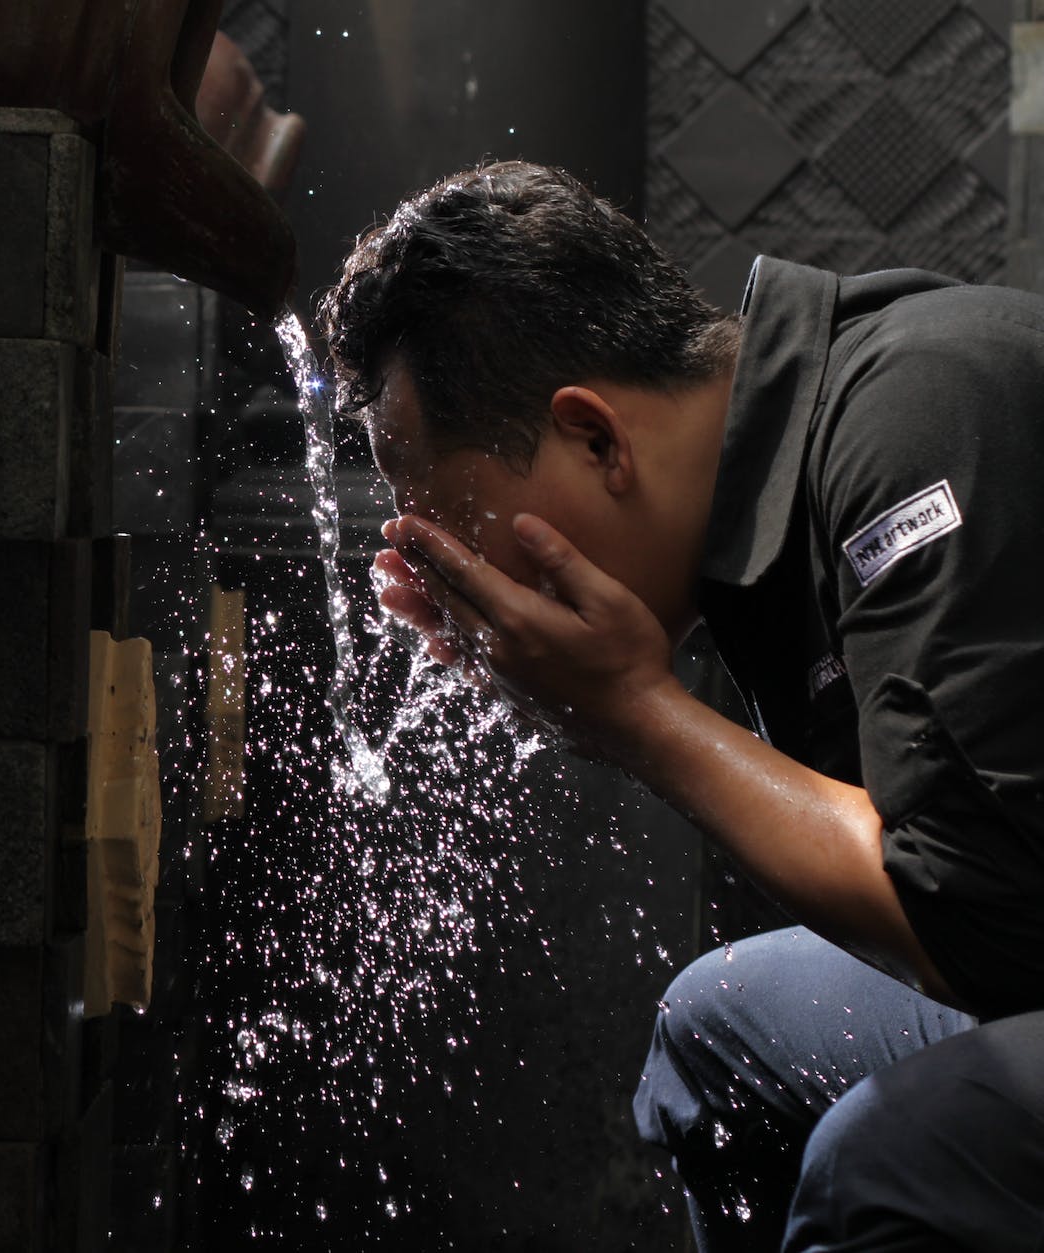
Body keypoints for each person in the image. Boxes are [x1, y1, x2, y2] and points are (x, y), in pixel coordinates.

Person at [315, 160, 1044, 1250]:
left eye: (464, 533)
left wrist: (636, 711)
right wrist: (616, 700)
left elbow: (984, 922)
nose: (468, 583)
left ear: (596, 438)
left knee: (888, 1157)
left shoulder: (913, 412)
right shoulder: (761, 512)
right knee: (724, 1020)